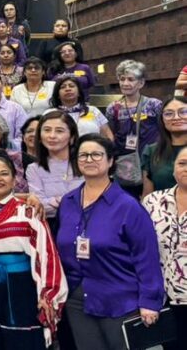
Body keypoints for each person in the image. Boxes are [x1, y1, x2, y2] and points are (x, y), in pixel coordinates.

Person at [57, 134, 165, 350]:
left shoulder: (128, 206)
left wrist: (149, 301)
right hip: (78, 300)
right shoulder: (68, 202)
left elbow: (147, 257)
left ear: (110, 161)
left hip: (121, 299)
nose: (89, 159)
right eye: (83, 155)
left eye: (96, 154)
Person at [0, 150, 68, 349]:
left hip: (24, 285)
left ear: (14, 179)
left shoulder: (29, 211)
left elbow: (46, 253)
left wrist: (48, 294)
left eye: (4, 173)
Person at [140, 146, 187, 347]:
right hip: (163, 296)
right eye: (182, 163)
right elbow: (141, 248)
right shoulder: (153, 201)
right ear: (173, 169)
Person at [106, 60, 163, 196]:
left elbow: (164, 129)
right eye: (122, 79)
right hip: (125, 162)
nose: (125, 83)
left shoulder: (153, 105)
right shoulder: (113, 108)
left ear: (141, 83)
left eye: (131, 79)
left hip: (151, 160)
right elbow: (111, 133)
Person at [142, 96, 187, 195]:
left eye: (183, 112)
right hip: (161, 204)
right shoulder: (151, 151)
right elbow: (147, 194)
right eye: (169, 114)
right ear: (162, 119)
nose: (176, 117)